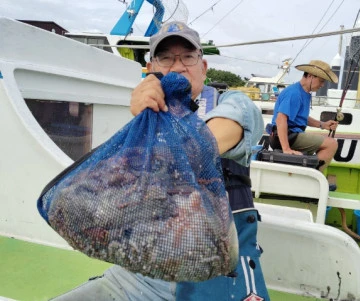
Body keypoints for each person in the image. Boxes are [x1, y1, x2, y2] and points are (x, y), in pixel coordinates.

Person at [51, 21, 270, 301]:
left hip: (217, 278)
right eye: (166, 58)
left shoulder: (235, 104)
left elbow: (210, 142)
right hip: (141, 275)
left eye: (188, 57)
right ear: (151, 70)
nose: (178, 67)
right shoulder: (146, 120)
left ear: (203, 67)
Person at [269, 60, 339, 172]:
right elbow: (280, 119)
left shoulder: (304, 92)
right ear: (310, 76)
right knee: (331, 144)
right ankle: (313, 179)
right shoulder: (294, 93)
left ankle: (308, 175)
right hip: (287, 136)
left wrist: (323, 125)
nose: (322, 85)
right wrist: (286, 149)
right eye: (321, 81)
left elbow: (301, 118)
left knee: (325, 142)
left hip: (292, 135)